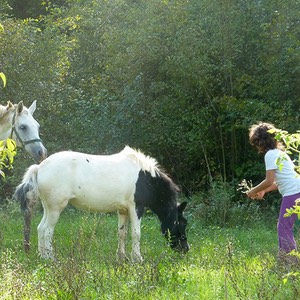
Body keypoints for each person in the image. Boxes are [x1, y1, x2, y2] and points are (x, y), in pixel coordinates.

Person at [246, 122, 300, 263]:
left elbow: (269, 180)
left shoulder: (270, 155)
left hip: (293, 193)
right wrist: (263, 190)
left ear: (261, 141)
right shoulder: (281, 153)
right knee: (284, 227)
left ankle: (292, 263)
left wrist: (253, 191)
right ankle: (284, 260)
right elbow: (279, 182)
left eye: (257, 143)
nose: (257, 147)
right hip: (296, 191)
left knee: (283, 228)